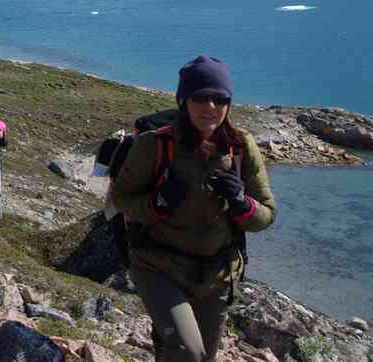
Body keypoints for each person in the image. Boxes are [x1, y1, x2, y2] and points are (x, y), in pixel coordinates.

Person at [110, 56, 276, 362]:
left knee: (201, 357)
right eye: (200, 97)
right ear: (183, 100)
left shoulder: (241, 147)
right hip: (158, 266)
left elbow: (266, 214)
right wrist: (158, 203)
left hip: (217, 275)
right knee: (189, 353)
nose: (210, 106)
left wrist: (242, 204)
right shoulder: (154, 145)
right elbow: (121, 198)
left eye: (219, 98)